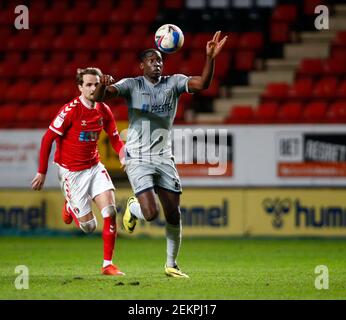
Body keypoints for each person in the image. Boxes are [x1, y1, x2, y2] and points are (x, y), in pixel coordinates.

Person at [94, 31, 227, 278]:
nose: (157, 64)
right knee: (151, 213)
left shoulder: (173, 83)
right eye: (152, 61)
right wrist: (103, 83)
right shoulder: (131, 85)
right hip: (139, 157)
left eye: (160, 61)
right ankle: (133, 208)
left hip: (164, 157)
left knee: (173, 212)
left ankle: (171, 264)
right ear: (141, 65)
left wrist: (210, 58)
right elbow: (102, 96)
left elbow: (203, 84)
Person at [31, 67, 126, 276]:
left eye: (96, 84)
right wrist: (41, 172)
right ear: (80, 87)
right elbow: (48, 139)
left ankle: (107, 264)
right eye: (89, 84)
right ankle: (70, 206)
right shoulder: (70, 110)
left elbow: (115, 139)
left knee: (110, 212)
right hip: (72, 173)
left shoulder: (103, 109)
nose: (93, 88)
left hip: (94, 167)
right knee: (89, 227)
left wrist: (122, 154)